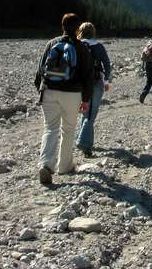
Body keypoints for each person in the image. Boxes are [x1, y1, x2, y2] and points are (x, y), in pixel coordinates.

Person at [34, 13, 93, 185]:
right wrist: (86, 99)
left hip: (49, 92)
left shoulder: (52, 44)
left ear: (62, 26)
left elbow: (39, 72)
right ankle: (65, 166)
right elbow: (88, 76)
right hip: (72, 94)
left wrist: (42, 89)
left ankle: (45, 165)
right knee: (68, 129)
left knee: (50, 128)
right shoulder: (81, 48)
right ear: (77, 29)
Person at [75, 22, 112, 158]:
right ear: (93, 32)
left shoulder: (76, 45)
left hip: (78, 85)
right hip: (96, 83)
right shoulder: (99, 46)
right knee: (91, 115)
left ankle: (84, 141)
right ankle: (85, 144)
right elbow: (107, 65)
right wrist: (106, 81)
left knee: (85, 113)